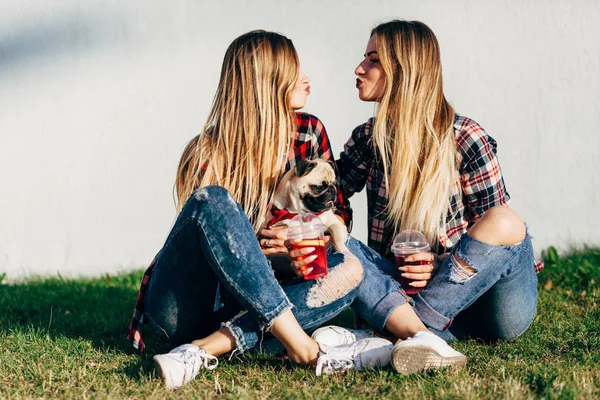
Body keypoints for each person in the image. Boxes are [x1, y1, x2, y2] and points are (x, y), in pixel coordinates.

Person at [127, 30, 466, 390]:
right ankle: (308, 348)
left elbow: (336, 215)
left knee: (350, 269)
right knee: (211, 200)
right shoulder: (207, 152)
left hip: (261, 305)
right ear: (267, 83)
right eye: (295, 70)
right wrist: (262, 250)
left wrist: (295, 251)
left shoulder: (308, 134)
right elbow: (207, 247)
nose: (306, 78)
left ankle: (202, 351)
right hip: (190, 307)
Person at [335, 20, 542, 343]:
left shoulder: (466, 138)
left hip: (479, 302)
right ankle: (422, 335)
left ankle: (411, 327)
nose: (359, 69)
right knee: (329, 234)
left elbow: (494, 241)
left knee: (504, 221)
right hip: (400, 290)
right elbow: (326, 202)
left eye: (374, 60)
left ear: (405, 70)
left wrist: (440, 264)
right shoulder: (368, 139)